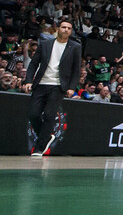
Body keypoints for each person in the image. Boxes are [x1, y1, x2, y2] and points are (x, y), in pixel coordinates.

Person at [21, 18, 82, 156]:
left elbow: (76, 69)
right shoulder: (46, 44)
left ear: (71, 31)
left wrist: (72, 87)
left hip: (58, 86)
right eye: (63, 27)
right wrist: (28, 81)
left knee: (49, 115)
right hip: (41, 83)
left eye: (69, 28)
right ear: (57, 29)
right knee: (33, 114)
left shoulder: (75, 47)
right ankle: (46, 137)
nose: (66, 30)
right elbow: (33, 64)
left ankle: (39, 147)